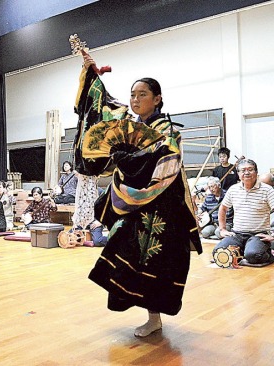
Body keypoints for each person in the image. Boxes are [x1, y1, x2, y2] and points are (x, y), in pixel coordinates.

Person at [80, 55, 202, 338]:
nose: (135, 100)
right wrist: (91, 75)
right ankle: (152, 317)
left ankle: (154, 317)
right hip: (136, 208)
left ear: (157, 99)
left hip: (164, 208)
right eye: (132, 95)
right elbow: (104, 105)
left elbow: (163, 165)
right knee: (127, 254)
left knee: (156, 262)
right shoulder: (128, 124)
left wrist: (131, 159)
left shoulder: (168, 131)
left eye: (142, 94)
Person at [213, 159, 274, 266]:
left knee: (254, 255)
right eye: (243, 170)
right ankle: (243, 252)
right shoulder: (233, 189)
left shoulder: (267, 190)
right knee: (217, 251)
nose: (246, 173)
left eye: (250, 170)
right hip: (237, 234)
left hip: (258, 235)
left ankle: (269, 254)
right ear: (238, 174)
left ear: (256, 172)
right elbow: (222, 208)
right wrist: (222, 229)